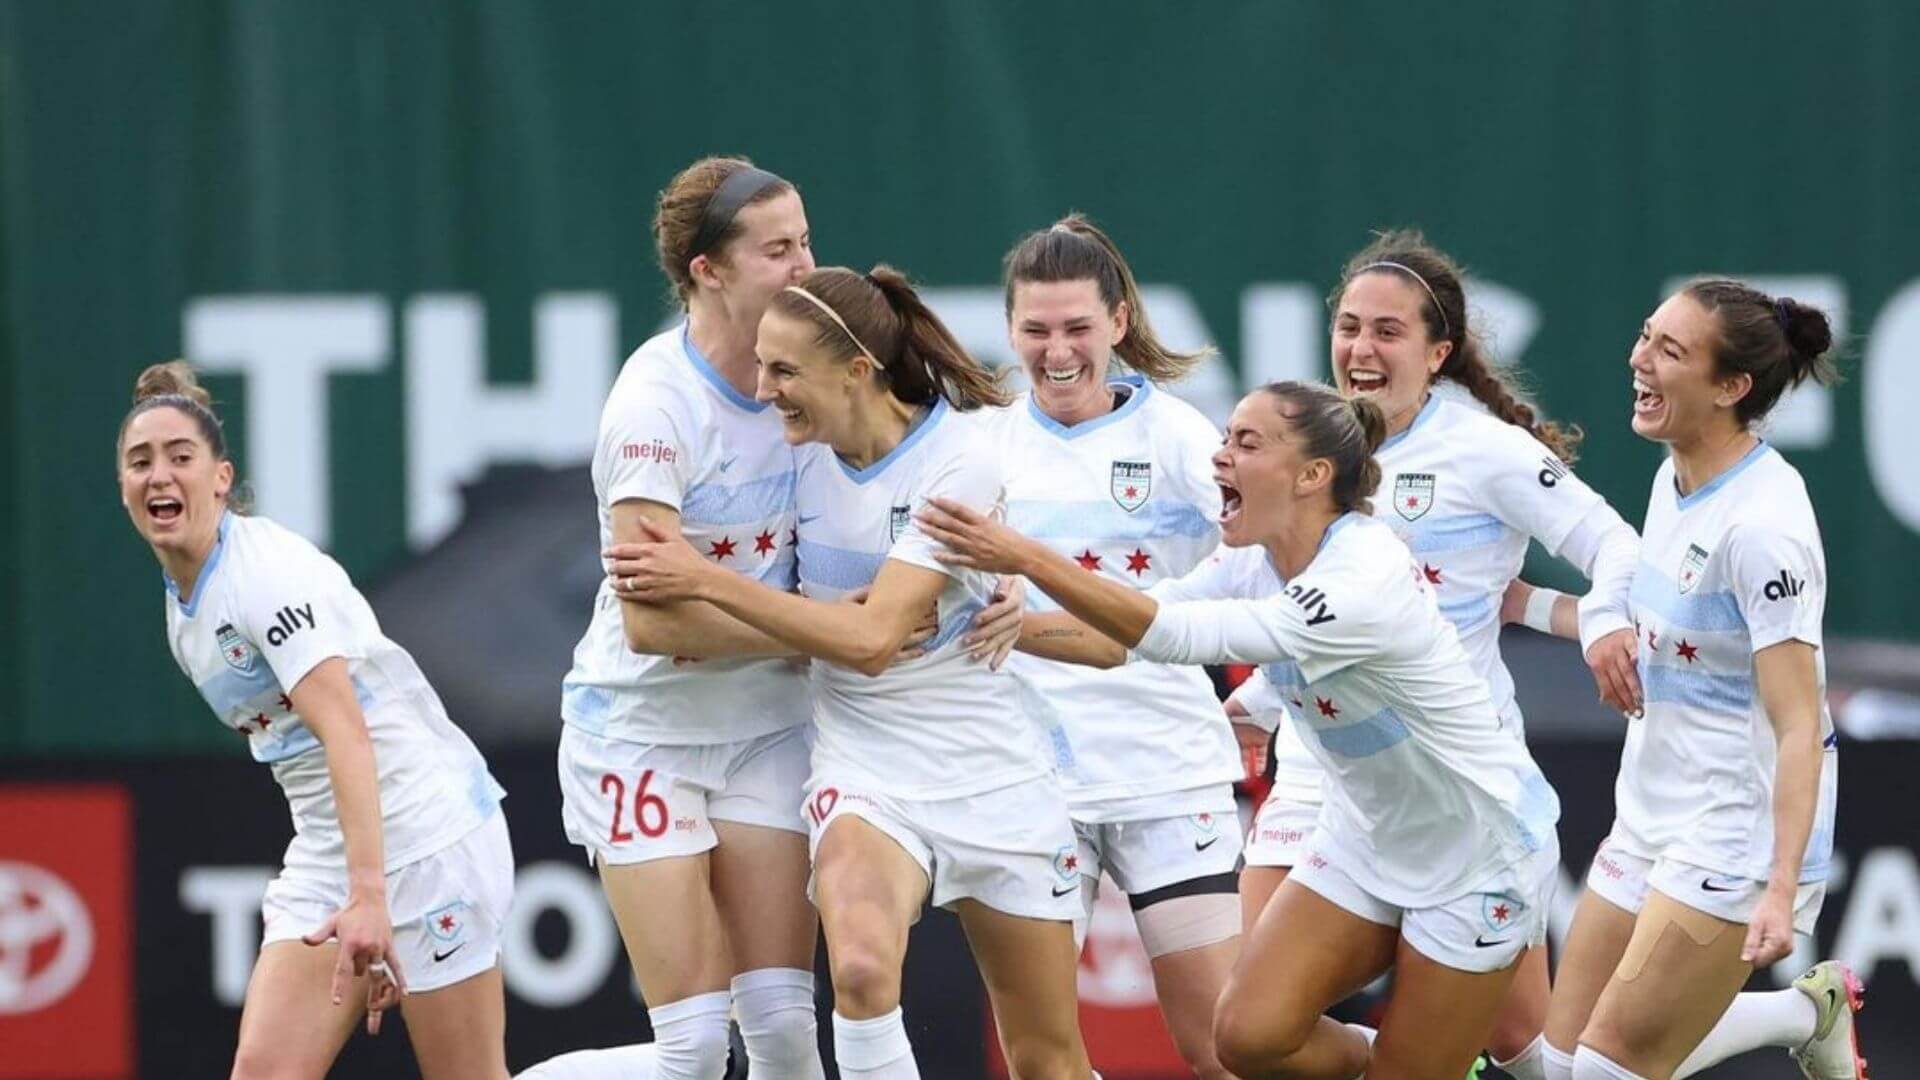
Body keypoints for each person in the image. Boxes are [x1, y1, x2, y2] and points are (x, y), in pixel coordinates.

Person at [920, 380, 1562, 1080]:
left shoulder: (1361, 574)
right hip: (1366, 836)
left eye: (1246, 443)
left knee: (1507, 1047)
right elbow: (1118, 636)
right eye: (1225, 438)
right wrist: (982, 628)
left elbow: (1166, 634)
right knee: (1246, 1038)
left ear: (1313, 475)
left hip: (1480, 851)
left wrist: (1020, 554)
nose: (1220, 457)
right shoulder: (1251, 557)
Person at [610, 265, 1092, 1080]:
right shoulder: (795, 451)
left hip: (993, 773)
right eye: (761, 366)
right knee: (862, 970)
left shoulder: (959, 461)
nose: (765, 392)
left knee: (1049, 1061)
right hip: (864, 764)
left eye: (785, 372)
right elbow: (842, 639)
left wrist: (703, 577)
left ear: (857, 372)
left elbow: (869, 641)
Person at [1238, 230, 1644, 1080]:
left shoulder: (1483, 448)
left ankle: (1793, 1011)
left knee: (1524, 1051)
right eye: (1349, 327)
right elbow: (1293, 603)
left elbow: (1616, 546)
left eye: (1388, 331)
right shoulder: (1308, 438)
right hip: (1325, 771)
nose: (1361, 349)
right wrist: (1259, 705)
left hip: (1455, 783)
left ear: (1438, 352)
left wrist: (1601, 622)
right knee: (1248, 1037)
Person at [120, 362, 513, 1080]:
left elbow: (347, 732)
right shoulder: (183, 612)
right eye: (140, 461)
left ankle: (682, 1061)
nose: (159, 476)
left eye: (181, 457)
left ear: (220, 476)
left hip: (429, 837)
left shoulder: (265, 577)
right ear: (122, 486)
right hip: (333, 852)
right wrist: (357, 885)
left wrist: (373, 899)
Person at [1538, 281, 1863, 1080]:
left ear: (1731, 388)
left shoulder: (1762, 532)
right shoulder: (1671, 476)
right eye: (1646, 337)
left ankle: (1798, 1005)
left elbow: (1798, 724)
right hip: (1650, 813)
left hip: (1735, 834)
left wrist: (1780, 888)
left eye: (1669, 352)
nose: (1638, 361)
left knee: (1606, 1073)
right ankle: (1802, 1013)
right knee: (1555, 1062)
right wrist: (1527, 602)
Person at [549, 155, 828, 1080]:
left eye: (806, 242)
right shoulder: (654, 406)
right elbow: (654, 627)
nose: (805, 266)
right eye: (776, 250)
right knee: (696, 1052)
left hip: (766, 730)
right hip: (641, 734)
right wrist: (817, 627)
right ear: (707, 271)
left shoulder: (816, 376)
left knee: (787, 1034)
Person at [993, 214, 1244, 1078]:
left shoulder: (1179, 438)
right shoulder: (979, 439)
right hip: (1030, 784)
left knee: (1223, 1049)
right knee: (1039, 1061)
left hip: (1165, 773)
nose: (1057, 352)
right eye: (1036, 331)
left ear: (1119, 323)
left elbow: (1274, 569)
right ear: (1009, 331)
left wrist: (1271, 696)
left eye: (1076, 329)